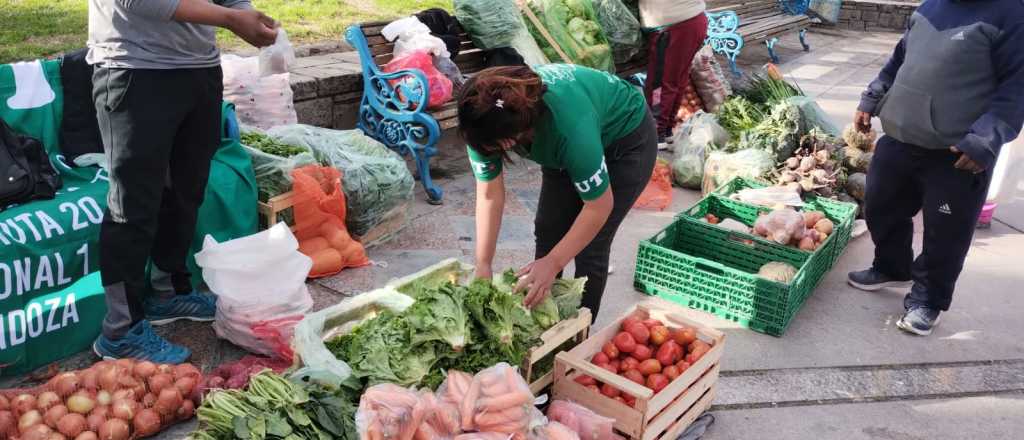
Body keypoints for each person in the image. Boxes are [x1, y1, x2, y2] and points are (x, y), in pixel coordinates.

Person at [88, 0, 278, 362]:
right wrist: (230, 19)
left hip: (200, 70)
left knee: (185, 192)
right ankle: (120, 330)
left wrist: (246, 12)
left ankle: (167, 292)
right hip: (136, 70)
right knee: (133, 203)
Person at [850, 0, 1024, 336]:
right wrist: (873, 97)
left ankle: (928, 299)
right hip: (901, 135)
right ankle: (891, 266)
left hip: (956, 152)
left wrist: (985, 140)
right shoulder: (931, 6)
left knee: (945, 235)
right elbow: (900, 59)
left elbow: (1016, 89)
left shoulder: (1012, 14)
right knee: (880, 206)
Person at [457, 64, 657, 320]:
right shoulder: (481, 122)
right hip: (565, 137)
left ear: (511, 139)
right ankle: (543, 321)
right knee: (548, 228)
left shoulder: (569, 131)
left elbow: (599, 207)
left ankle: (577, 334)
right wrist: (483, 263)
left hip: (626, 139)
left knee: (590, 246)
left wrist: (554, 262)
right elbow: (489, 194)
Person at [638, 0, 708, 147]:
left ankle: (656, 133)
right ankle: (666, 129)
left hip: (673, 29)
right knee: (676, 79)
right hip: (692, 21)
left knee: (660, 84)